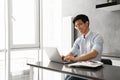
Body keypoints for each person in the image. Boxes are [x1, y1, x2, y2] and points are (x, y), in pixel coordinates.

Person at [62, 14, 104, 80]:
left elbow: (94, 53)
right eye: (76, 26)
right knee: (67, 76)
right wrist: (65, 57)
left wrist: (75, 59)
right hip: (80, 69)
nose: (78, 27)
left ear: (87, 23)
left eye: (80, 24)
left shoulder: (97, 37)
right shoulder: (78, 40)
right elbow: (72, 52)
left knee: (70, 79)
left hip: (93, 72)